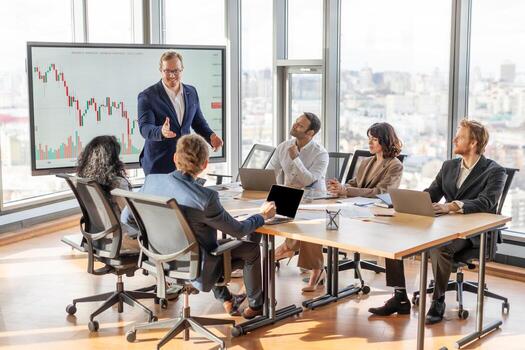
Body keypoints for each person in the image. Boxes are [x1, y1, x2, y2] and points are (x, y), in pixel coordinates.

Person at [123, 134, 276, 319]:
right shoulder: (205, 198)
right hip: (195, 264)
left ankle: (227, 299)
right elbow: (238, 231)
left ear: (175, 158)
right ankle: (256, 306)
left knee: (200, 241)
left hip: (157, 257)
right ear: (204, 165)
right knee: (250, 249)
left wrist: (153, 236)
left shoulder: (151, 181)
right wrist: (261, 215)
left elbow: (127, 218)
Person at [369, 119, 506, 326]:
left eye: (459, 137)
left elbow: (487, 202)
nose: (454, 139)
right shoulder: (449, 166)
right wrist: (410, 202)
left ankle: (438, 300)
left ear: (473, 143)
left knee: (440, 246)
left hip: (473, 235)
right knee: (394, 235)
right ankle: (399, 297)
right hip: (445, 226)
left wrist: (450, 206)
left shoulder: (495, 171)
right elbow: (432, 193)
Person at [268, 112, 329, 292]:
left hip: (313, 198)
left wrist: (296, 158)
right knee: (259, 216)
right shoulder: (283, 146)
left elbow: (309, 180)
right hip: (288, 194)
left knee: (309, 227)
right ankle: (284, 249)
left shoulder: (320, 154)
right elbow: (271, 170)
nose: (295, 126)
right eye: (296, 122)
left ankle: (312, 266)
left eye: (300, 126)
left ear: (310, 133)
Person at [138, 51, 223, 175]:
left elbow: (198, 122)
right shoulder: (148, 96)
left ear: (182, 70)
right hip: (158, 164)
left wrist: (211, 136)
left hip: (186, 163)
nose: (172, 75)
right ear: (161, 70)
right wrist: (161, 131)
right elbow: (145, 128)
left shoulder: (191, 92)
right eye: (167, 71)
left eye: (176, 71)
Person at [76, 135, 138, 250]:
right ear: (112, 158)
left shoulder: (85, 181)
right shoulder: (117, 183)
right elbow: (130, 216)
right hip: (122, 238)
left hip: (100, 237)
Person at [327, 122, 403, 198]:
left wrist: (345, 190)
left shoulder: (395, 165)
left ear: (386, 141)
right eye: (369, 138)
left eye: (374, 139)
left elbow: (381, 192)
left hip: (376, 207)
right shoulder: (366, 161)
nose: (369, 142)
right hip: (357, 204)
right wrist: (338, 187)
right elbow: (355, 183)